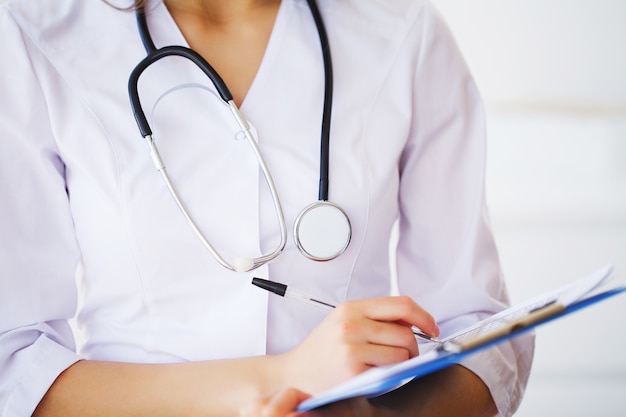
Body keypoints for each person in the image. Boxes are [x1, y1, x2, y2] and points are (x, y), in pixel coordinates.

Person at [0, 0, 534, 416]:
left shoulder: (402, 31)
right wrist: (286, 376)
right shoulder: (36, 32)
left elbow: (485, 336)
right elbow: (15, 368)